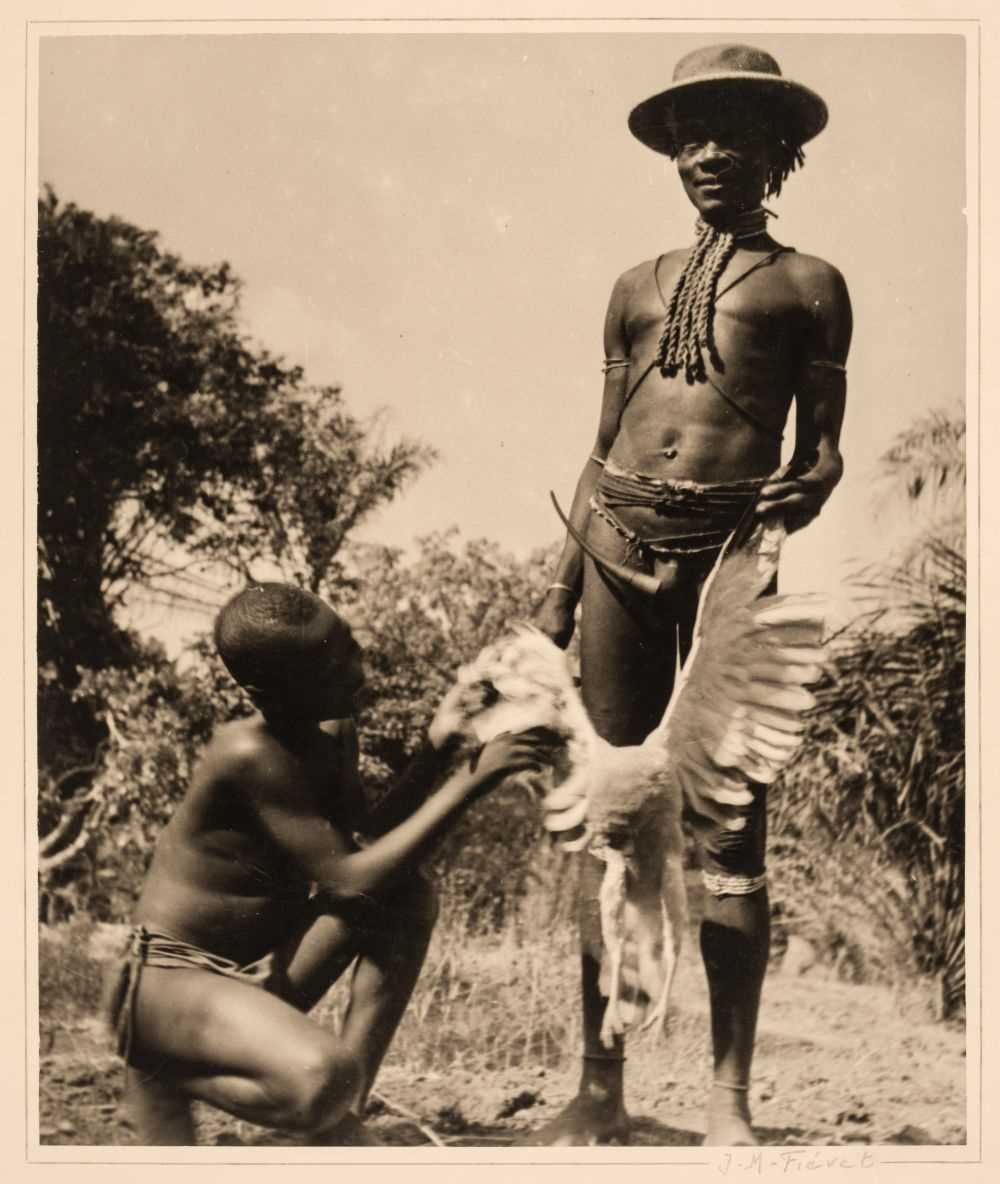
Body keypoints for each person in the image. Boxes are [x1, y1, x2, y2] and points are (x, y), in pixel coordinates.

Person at [528, 44, 852, 1147]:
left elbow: (823, 456)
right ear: (674, 155)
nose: (710, 155)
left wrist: (799, 497)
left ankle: (726, 1099)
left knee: (730, 823)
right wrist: (558, 591)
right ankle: (599, 1085)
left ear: (780, 153)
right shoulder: (634, 284)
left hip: (727, 561)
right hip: (615, 535)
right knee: (611, 816)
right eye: (691, 137)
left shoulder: (810, 285)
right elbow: (599, 441)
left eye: (732, 136)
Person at [105, 581, 549, 1146]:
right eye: (331, 666)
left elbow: (365, 845)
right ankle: (165, 1070)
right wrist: (472, 779)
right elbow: (347, 877)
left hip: (253, 979)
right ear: (267, 690)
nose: (357, 670)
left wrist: (438, 747)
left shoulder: (332, 731)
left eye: (350, 646)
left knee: (405, 898)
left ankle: (341, 1122)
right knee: (326, 1078)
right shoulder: (248, 752)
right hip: (168, 985)